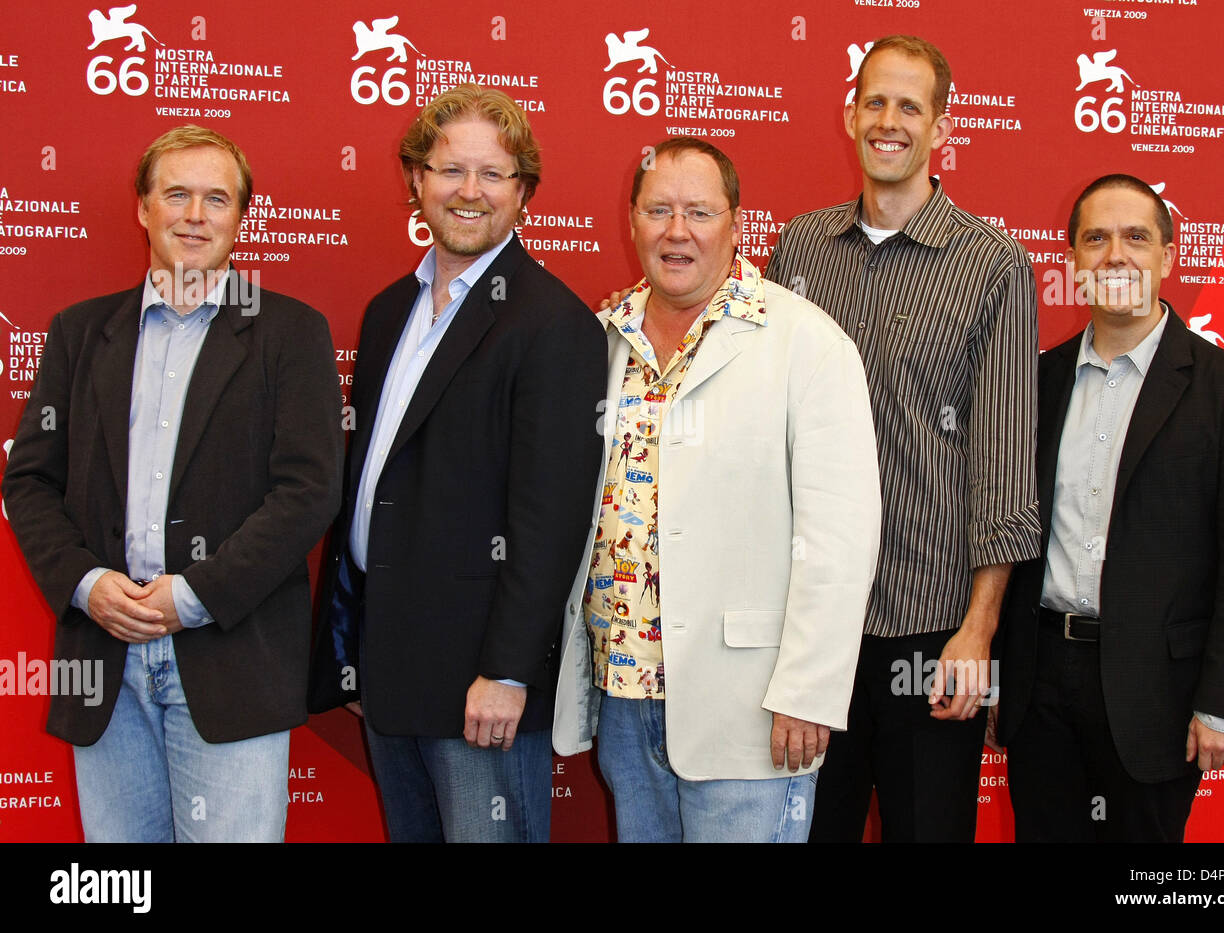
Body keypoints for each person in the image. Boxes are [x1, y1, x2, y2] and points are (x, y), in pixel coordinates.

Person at [2, 125, 344, 842]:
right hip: (104, 659)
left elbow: (308, 490)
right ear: (143, 207)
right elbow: (29, 479)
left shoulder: (290, 333)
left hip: (232, 657)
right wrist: (86, 583)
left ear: (242, 216)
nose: (195, 215)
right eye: (177, 194)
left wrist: (193, 597)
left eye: (216, 198)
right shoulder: (78, 332)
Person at [552, 137, 881, 843]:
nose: (677, 231)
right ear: (631, 220)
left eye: (699, 212)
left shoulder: (807, 344)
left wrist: (809, 691)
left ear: (736, 223)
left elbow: (841, 539)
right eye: (658, 210)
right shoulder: (602, 340)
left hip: (754, 709)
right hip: (626, 694)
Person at [308, 84, 606, 843]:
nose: (468, 192)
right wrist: (351, 651)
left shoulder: (553, 324)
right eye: (449, 170)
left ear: (524, 192)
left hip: (481, 683)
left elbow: (551, 519)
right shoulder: (387, 313)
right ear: (416, 179)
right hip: (389, 666)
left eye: (492, 174)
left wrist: (507, 672)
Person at [764, 34, 1040, 842]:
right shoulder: (799, 248)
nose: (890, 121)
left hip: (931, 628)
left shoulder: (994, 266)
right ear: (850, 115)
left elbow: (1003, 464)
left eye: (910, 106)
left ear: (942, 128)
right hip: (814, 627)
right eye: (875, 102)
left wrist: (978, 626)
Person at [996, 174, 1224, 842]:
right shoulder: (1037, 381)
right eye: (1095, 239)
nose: (1115, 255)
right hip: (1040, 685)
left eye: (1136, 237)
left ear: (1169, 254)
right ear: (1072, 260)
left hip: (1157, 695)